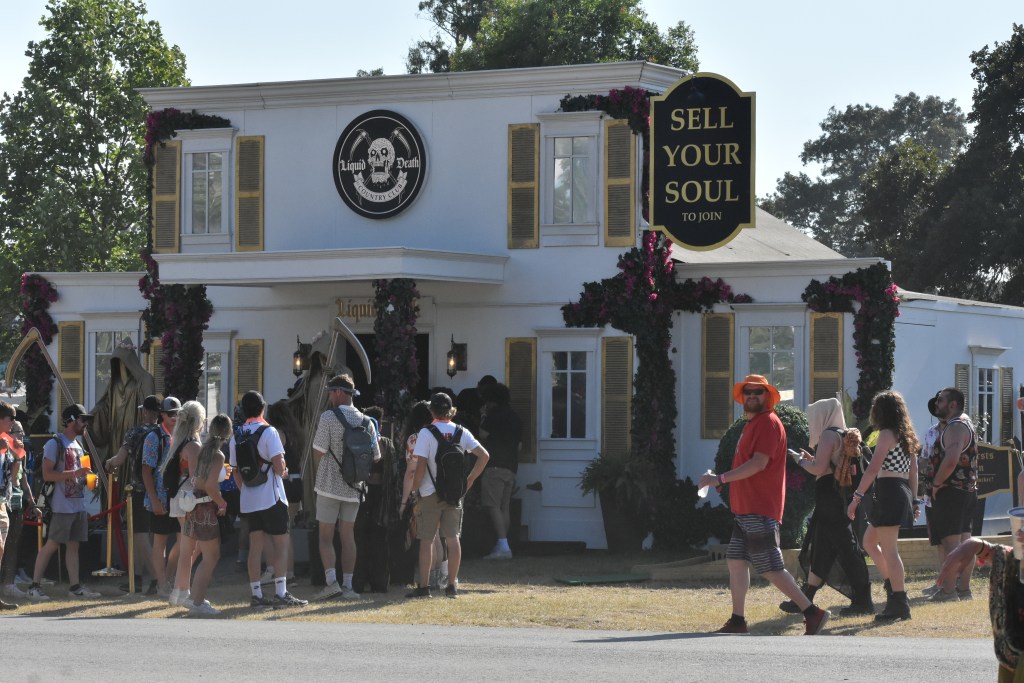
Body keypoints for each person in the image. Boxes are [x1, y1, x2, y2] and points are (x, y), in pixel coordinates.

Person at [698, 375, 831, 635]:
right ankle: (738, 620)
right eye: (748, 392)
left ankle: (812, 612)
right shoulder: (753, 424)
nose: (752, 396)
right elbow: (750, 464)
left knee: (770, 567)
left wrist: (720, 478)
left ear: (767, 395)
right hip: (745, 508)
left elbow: (758, 464)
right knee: (736, 561)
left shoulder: (768, 423)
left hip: (758, 508)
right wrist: (724, 480)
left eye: (758, 392)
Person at [781, 398, 873, 616]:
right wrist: (812, 460)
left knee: (846, 549)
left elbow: (818, 468)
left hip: (829, 499)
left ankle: (863, 601)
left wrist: (798, 460)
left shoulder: (828, 435)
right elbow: (830, 466)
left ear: (821, 416)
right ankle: (805, 598)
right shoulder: (842, 434)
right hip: (838, 497)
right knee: (822, 549)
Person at [846, 390, 920, 621]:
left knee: (890, 550)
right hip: (901, 491)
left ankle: (899, 601)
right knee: (869, 542)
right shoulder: (906, 435)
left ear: (881, 411)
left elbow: (873, 468)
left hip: (889, 491)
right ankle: (893, 589)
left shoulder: (887, 434)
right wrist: (914, 499)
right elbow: (914, 471)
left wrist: (856, 497)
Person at [407, 392, 490, 599]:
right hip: (454, 494)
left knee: (426, 540)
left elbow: (420, 468)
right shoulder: (461, 432)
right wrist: (469, 481)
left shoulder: (426, 433)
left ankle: (424, 587)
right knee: (453, 539)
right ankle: (451, 585)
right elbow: (484, 456)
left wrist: (415, 490)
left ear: (432, 411)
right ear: (451, 411)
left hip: (429, 493)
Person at [230, 390, 307, 608]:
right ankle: (281, 593)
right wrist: (282, 473)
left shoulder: (238, 435)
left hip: (249, 500)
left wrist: (246, 489)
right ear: (262, 408)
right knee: (281, 544)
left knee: (255, 547)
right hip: (272, 497)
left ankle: (256, 595)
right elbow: (279, 465)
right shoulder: (269, 431)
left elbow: (235, 471)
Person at [310, 375, 380, 601]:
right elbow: (376, 456)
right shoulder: (367, 421)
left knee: (325, 537)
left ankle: (332, 583)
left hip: (329, 484)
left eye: (331, 392)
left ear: (339, 392)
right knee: (348, 535)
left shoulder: (328, 417)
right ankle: (348, 586)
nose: (329, 396)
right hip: (354, 486)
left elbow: (318, 451)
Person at [26, 404, 102, 600]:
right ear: (70, 420)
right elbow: (47, 474)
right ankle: (34, 586)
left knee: (73, 546)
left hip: (77, 505)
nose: (86, 424)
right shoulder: (54, 444)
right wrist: (75, 474)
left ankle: (74, 587)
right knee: (52, 544)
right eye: (82, 419)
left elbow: (86, 475)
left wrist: (90, 480)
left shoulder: (80, 446)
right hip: (61, 505)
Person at [925, 387, 979, 602]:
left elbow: (951, 459)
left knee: (951, 544)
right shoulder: (966, 423)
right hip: (966, 491)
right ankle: (964, 590)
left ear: (953, 404)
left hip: (951, 492)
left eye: (940, 400)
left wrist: (937, 483)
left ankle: (949, 592)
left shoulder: (956, 427)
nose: (937, 404)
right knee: (965, 544)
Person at [103, 394, 161, 594]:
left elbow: (119, 459)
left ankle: (157, 578)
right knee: (142, 536)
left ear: (145, 411)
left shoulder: (136, 432)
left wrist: (108, 463)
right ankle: (135, 579)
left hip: (139, 488)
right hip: (160, 490)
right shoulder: (163, 432)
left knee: (141, 535)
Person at [178, 412, 230, 615]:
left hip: (193, 507)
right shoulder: (218, 455)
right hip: (207, 509)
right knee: (211, 557)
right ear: (228, 432)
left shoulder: (203, 451)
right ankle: (197, 603)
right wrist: (222, 503)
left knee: (191, 553)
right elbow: (209, 485)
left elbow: (197, 481)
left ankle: (193, 599)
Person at [141, 396, 181, 597]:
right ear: (161, 415)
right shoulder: (153, 437)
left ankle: (168, 577)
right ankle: (162, 584)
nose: (174, 417)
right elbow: (146, 471)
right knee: (160, 542)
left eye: (177, 413)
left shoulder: (183, 436)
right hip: (160, 498)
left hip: (180, 498)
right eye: (170, 414)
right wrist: (154, 499)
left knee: (184, 542)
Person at [166, 400, 205, 608]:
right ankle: (183, 591)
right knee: (190, 547)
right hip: (189, 499)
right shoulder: (193, 445)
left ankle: (179, 591)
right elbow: (195, 477)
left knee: (188, 546)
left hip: (179, 497)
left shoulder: (179, 442)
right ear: (198, 421)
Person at [478, 382, 522, 561]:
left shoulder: (493, 415)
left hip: (494, 465)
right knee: (504, 506)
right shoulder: (516, 417)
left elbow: (482, 434)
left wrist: (482, 416)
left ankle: (503, 545)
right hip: (511, 466)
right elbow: (519, 446)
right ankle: (503, 543)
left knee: (492, 505)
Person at [2, 407, 37, 601]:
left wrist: (32, 502)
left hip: (16, 503)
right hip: (4, 502)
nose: (22, 437)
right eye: (18, 433)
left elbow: (21, 482)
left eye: (23, 433)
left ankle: (9, 583)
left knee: (14, 544)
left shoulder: (19, 453)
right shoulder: (4, 450)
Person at [0, 400, 25, 609]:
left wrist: (16, 457)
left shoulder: (7, 442)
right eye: (11, 418)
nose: (13, 423)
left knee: (0, 548)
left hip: (2, 501)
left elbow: (15, 478)